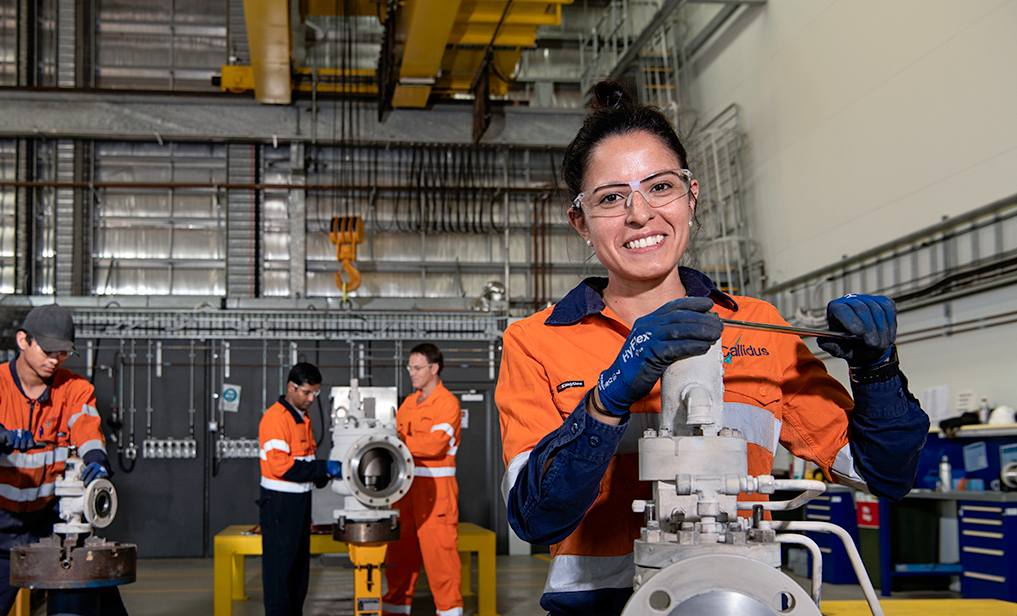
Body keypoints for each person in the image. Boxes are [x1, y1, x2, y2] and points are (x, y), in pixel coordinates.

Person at [495, 81, 930, 616]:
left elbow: (883, 476)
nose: (639, 214)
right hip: (597, 605)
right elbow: (535, 518)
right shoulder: (536, 342)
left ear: (691, 196)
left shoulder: (756, 327)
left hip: (737, 600)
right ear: (581, 222)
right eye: (611, 198)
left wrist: (877, 372)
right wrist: (606, 399)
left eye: (660, 187)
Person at [0, 303, 126, 616]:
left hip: (48, 524)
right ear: (23, 340)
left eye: (62, 353)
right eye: (48, 351)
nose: (54, 360)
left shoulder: (74, 388)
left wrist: (97, 461)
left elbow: (87, 430)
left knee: (102, 606)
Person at [383, 344, 464, 616]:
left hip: (436, 492)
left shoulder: (447, 404)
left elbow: (435, 445)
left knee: (441, 558)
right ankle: (394, 610)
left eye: (417, 368)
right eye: (410, 368)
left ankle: (450, 610)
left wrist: (399, 440)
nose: (412, 373)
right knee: (399, 556)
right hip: (404, 490)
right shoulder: (408, 403)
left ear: (434, 368)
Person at [257, 362, 342, 616]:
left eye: (315, 393)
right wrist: (323, 469)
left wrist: (321, 475)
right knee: (279, 572)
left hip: (300, 501)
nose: (311, 398)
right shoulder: (276, 419)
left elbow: (303, 458)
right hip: (280, 502)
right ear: (290, 387)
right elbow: (282, 467)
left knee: (297, 571)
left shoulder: (302, 417)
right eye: (307, 392)